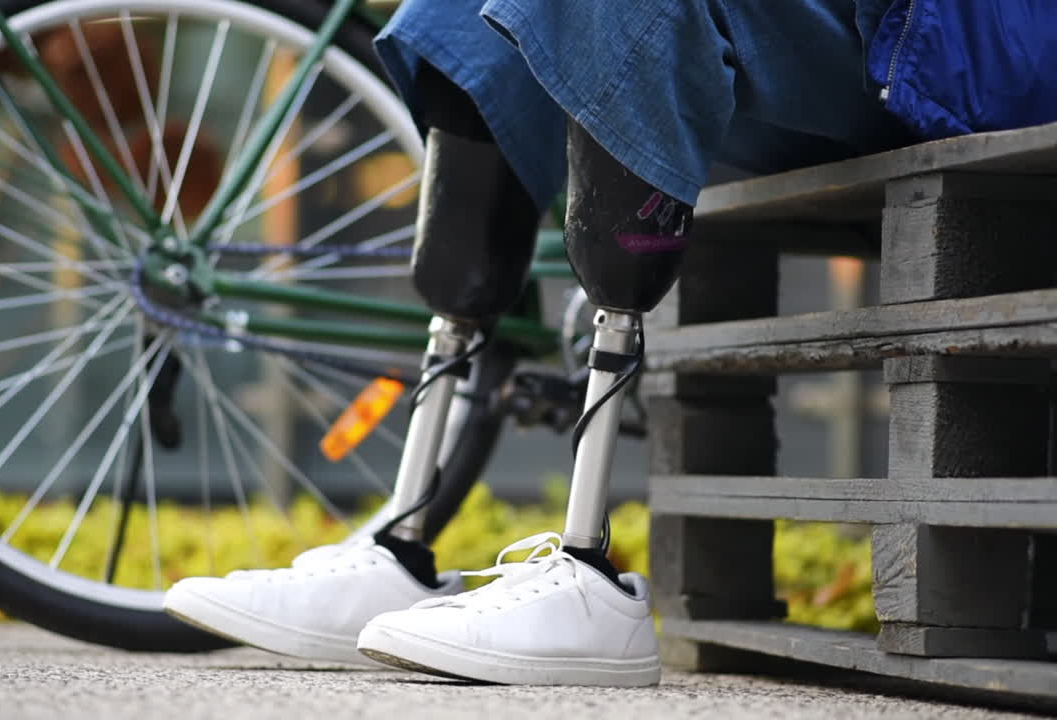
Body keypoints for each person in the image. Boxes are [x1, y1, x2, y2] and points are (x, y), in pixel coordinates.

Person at [164, 0, 1057, 686]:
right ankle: (402, 545)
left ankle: (591, 576)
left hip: (957, 43)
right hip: (830, 49)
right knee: (460, 21)